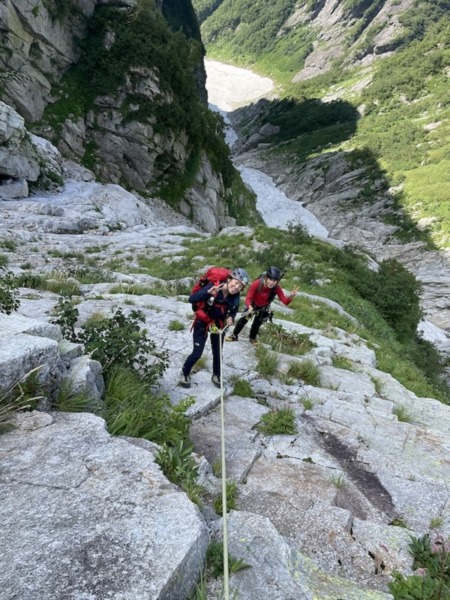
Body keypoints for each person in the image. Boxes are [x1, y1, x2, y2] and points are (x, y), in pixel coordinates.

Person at [179, 267, 250, 388]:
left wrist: (231, 317)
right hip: (202, 322)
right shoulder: (214, 286)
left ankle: (216, 375)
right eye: (236, 283)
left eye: (240, 287)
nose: (237, 287)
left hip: (218, 324)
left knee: (218, 352)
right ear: (229, 279)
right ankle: (185, 373)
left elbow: (234, 310)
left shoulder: (235, 297)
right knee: (197, 353)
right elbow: (191, 299)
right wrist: (207, 292)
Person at [226, 266, 298, 344]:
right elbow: (249, 297)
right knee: (243, 320)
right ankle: (234, 335)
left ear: (277, 281)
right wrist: (249, 306)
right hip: (252, 305)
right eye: (270, 279)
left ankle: (252, 338)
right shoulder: (257, 283)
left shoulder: (276, 288)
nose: (272, 282)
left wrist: (291, 296)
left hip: (263, 308)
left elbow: (285, 301)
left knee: (257, 324)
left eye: (274, 280)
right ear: (266, 278)